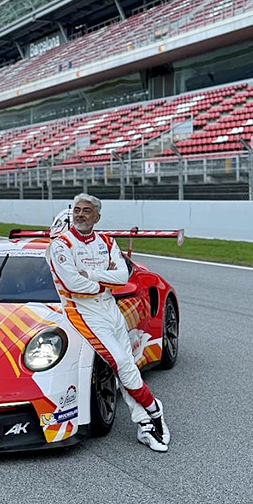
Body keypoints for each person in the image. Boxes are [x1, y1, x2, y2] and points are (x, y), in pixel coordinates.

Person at [45, 194, 171, 452]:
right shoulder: (60, 246)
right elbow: (74, 285)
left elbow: (123, 276)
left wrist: (91, 275)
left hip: (111, 309)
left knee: (128, 364)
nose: (80, 215)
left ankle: (144, 424)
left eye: (86, 211)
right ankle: (154, 408)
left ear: (97, 217)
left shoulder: (107, 241)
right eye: (77, 210)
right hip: (83, 312)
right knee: (122, 362)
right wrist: (104, 280)